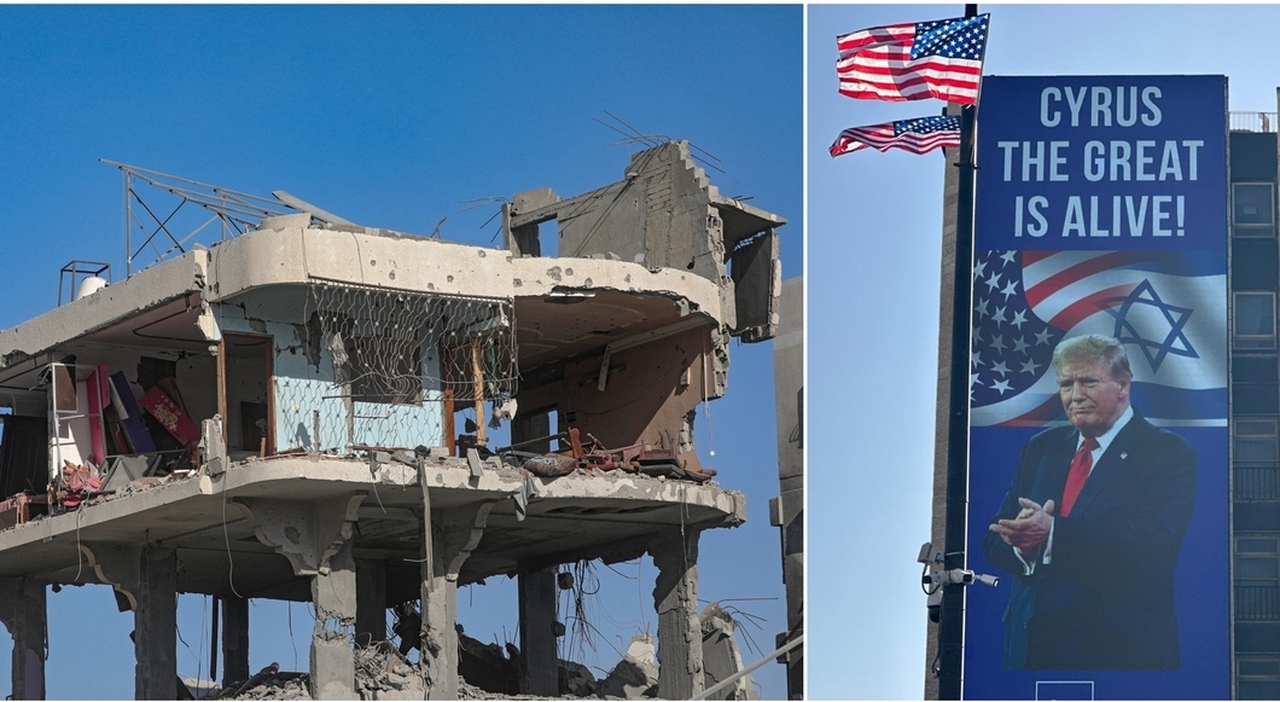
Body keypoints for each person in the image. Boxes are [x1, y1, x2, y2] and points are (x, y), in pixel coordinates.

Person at [982, 334, 1196, 670]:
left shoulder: (1167, 452)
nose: (1075, 395)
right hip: (1032, 652)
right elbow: (994, 539)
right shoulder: (1041, 448)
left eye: (1088, 382)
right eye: (1066, 385)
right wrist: (1024, 546)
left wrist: (1052, 534)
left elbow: (1154, 543)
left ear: (1123, 385)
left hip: (1118, 657)